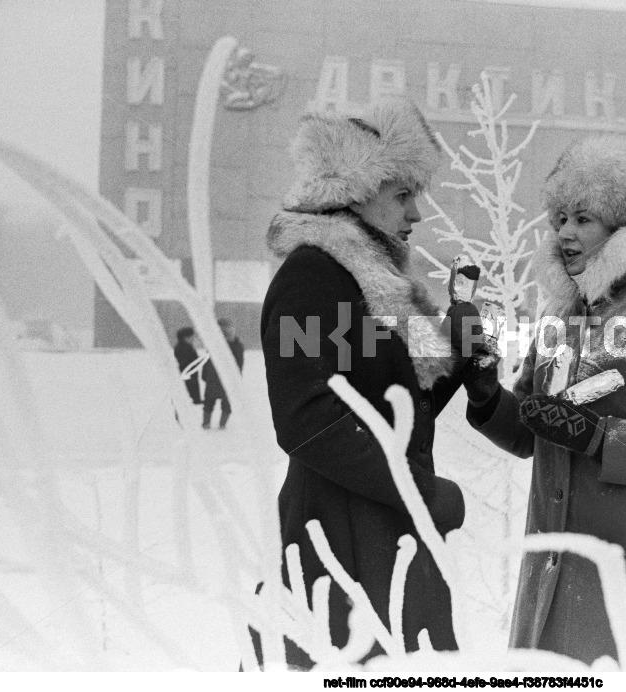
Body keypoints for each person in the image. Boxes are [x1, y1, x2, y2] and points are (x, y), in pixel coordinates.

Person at [461, 138, 626, 670]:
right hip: (552, 576)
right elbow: (530, 430)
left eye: (583, 218)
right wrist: (485, 392)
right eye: (560, 216)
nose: (564, 232)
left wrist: (600, 437)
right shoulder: (559, 319)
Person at [253, 98, 470, 669]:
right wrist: (422, 495)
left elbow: (396, 409)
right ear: (353, 189)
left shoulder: (368, 285)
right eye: (402, 195)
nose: (417, 214)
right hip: (341, 548)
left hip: (381, 543)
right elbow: (306, 416)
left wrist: (459, 350)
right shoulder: (311, 277)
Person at [201, 317, 244, 429]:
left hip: (223, 377)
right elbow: (207, 359)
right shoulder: (231, 344)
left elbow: (238, 363)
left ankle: (218, 425)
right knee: (215, 401)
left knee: (219, 401)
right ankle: (214, 424)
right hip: (216, 376)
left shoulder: (234, 345)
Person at [173, 326, 203, 405]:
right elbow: (188, 360)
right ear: (185, 337)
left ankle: (195, 399)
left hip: (189, 371)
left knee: (193, 385)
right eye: (191, 336)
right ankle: (195, 399)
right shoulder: (183, 347)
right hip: (188, 371)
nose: (193, 338)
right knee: (191, 386)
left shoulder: (185, 346)